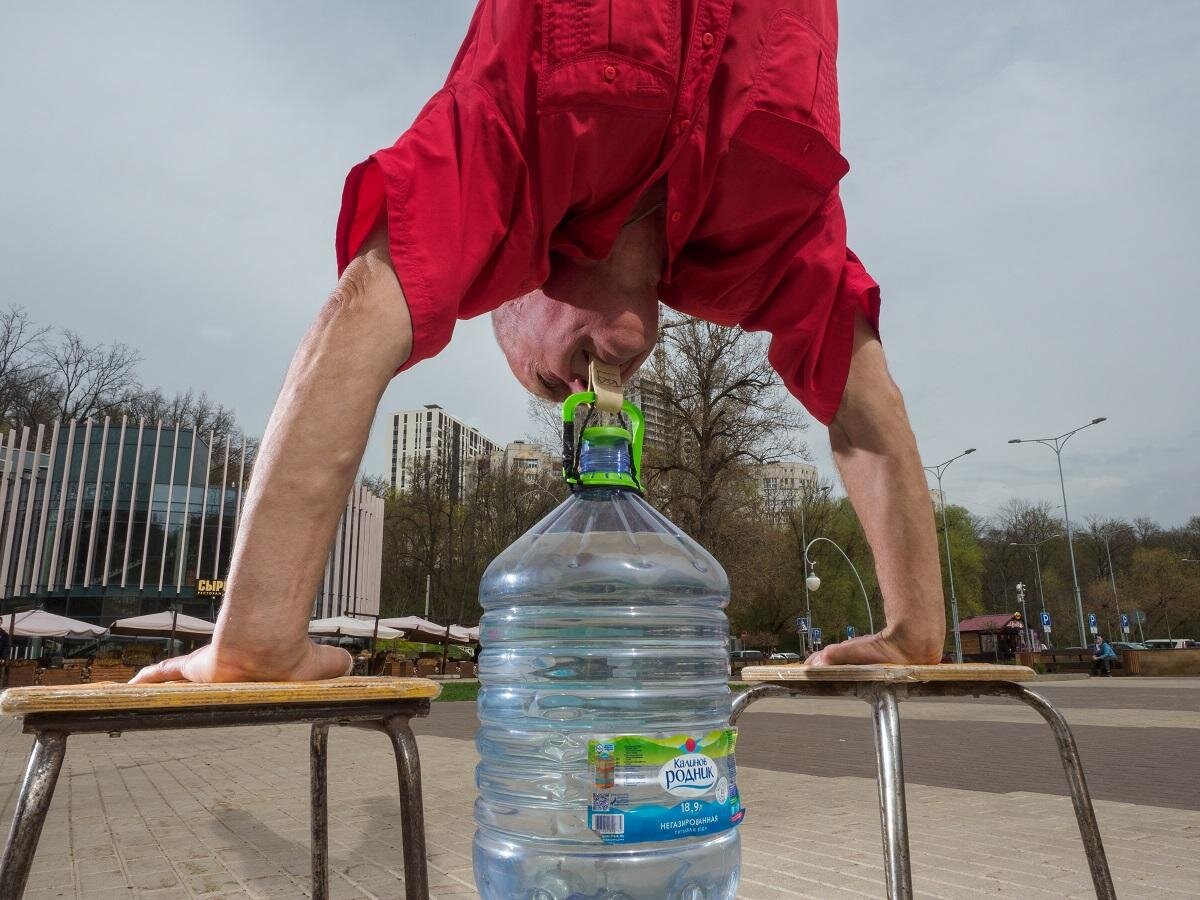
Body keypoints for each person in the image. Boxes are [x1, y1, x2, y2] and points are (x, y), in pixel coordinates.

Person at [133, 0, 946, 685]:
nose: (585, 389)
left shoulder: (518, 160)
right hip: (778, 54)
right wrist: (915, 635)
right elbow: (865, 389)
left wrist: (253, 639)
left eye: (548, 382)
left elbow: (363, 305)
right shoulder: (752, 239)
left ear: (514, 272)